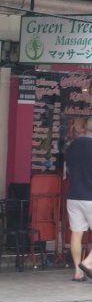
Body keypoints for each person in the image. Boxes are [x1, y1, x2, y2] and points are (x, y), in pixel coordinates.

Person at [64, 117, 92, 281]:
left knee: (76, 234)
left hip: (74, 196)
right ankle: (87, 262)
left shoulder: (71, 147)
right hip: (91, 197)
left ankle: (77, 271)